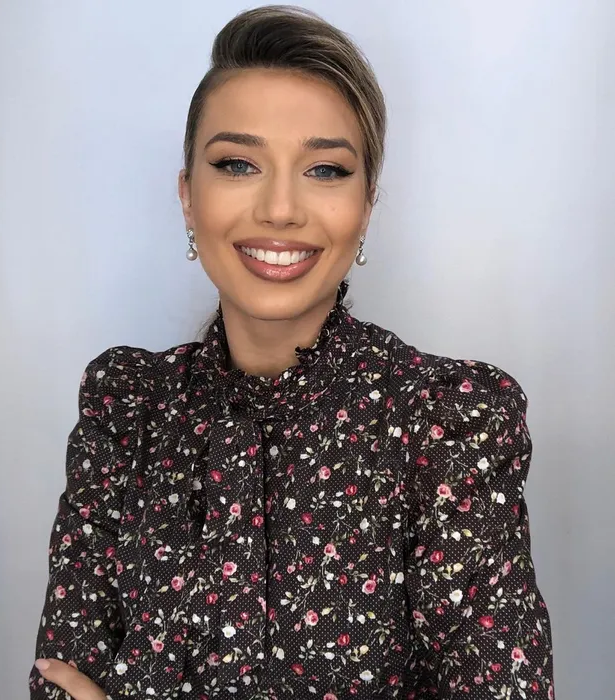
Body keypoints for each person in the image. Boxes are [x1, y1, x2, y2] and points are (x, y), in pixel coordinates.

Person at [29, 6, 555, 699]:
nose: (280, 208)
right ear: (187, 196)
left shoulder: (448, 423)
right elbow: (61, 682)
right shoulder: (127, 408)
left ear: (366, 206)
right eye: (237, 163)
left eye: (325, 170)